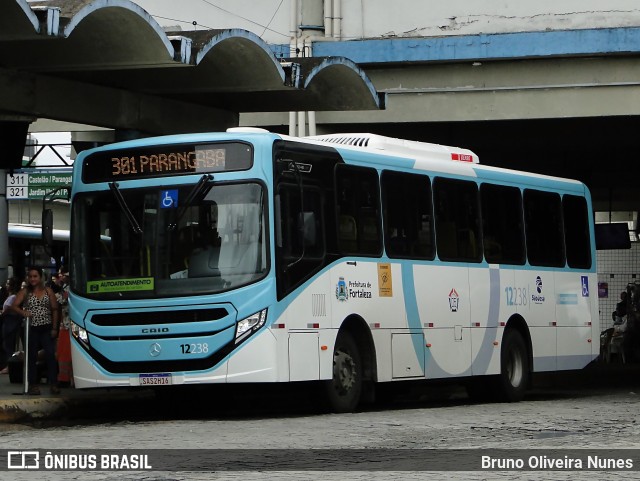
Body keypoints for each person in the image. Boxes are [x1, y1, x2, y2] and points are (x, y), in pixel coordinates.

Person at [10, 267, 60, 395]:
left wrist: (54, 328)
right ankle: (33, 384)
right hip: (31, 328)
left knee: (50, 355)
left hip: (46, 328)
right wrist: (23, 312)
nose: (32, 279)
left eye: (35, 276)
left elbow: (55, 309)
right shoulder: (25, 292)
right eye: (30, 276)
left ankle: (53, 383)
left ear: (40, 277)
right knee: (31, 357)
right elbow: (14, 306)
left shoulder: (48, 291)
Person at [1, 277, 24, 374]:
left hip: (11, 322)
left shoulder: (14, 297)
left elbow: (7, 309)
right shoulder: (9, 296)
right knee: (6, 344)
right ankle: (8, 364)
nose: (6, 285)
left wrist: (2, 313)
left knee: (9, 344)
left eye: (8, 284)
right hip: (7, 321)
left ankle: (10, 365)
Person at [55, 267, 73, 387]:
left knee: (64, 353)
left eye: (63, 275)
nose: (61, 277)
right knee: (62, 352)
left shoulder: (68, 288)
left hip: (68, 326)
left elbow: (61, 300)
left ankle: (65, 378)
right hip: (65, 324)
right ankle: (65, 377)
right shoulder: (65, 287)